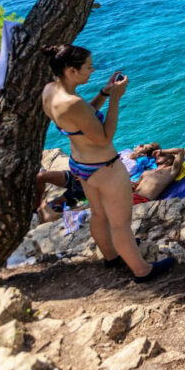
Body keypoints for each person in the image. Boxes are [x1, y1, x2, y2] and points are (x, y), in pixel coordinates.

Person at [40, 44, 174, 282]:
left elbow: (83, 118)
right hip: (104, 167)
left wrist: (104, 92)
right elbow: (103, 137)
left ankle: (111, 256)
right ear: (71, 71)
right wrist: (115, 100)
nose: (92, 70)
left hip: (80, 163)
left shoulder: (51, 91)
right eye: (88, 67)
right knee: (121, 223)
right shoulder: (72, 102)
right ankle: (142, 271)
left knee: (99, 214)